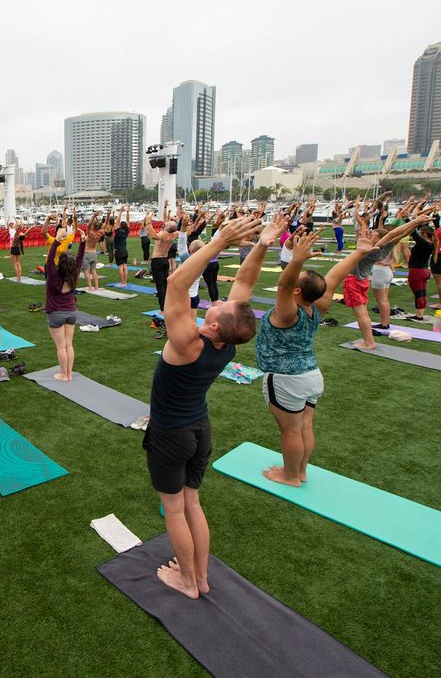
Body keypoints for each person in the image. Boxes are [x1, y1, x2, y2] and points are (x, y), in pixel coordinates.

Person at [148, 213, 267, 599]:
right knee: (192, 502)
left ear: (214, 326)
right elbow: (245, 284)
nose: (217, 303)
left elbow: (177, 282)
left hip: (171, 434)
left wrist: (218, 241)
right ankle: (199, 577)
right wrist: (261, 243)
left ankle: (187, 581)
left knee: (175, 510)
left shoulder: (187, 342)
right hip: (200, 429)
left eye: (218, 309)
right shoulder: (228, 340)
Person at [257, 224, 379, 488]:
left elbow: (283, 285)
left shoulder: (288, 313)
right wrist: (358, 253)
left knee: (290, 430)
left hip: (286, 378)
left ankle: (290, 476)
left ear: (298, 291)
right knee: (304, 427)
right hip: (310, 376)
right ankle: (299, 471)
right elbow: (333, 277)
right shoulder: (317, 307)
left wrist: (297, 259)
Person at [344, 214, 429, 349]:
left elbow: (393, 234)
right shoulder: (385, 247)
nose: (370, 235)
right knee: (363, 312)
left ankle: (368, 343)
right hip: (363, 281)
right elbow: (400, 235)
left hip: (354, 281)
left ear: (379, 239)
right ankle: (369, 340)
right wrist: (414, 224)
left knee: (360, 314)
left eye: (373, 234)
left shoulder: (375, 248)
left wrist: (416, 221)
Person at [44, 222, 85, 382]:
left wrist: (57, 240)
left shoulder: (53, 275)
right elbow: (80, 258)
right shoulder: (74, 275)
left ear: (59, 264)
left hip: (56, 314)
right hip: (71, 313)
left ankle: (64, 375)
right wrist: (83, 242)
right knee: (69, 344)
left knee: (61, 346)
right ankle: (68, 374)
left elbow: (49, 258)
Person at [406, 220, 437, 320]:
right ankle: (420, 314)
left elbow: (413, 233)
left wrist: (408, 220)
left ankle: (419, 315)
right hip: (424, 271)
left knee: (418, 294)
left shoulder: (423, 243)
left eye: (421, 232)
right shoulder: (430, 244)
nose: (419, 233)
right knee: (422, 293)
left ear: (424, 234)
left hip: (417, 272)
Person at [82, 211, 106, 290]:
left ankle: (90, 287)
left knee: (86, 270)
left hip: (87, 252)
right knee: (94, 270)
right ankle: (96, 287)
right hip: (94, 252)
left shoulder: (90, 233)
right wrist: (108, 215)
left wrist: (93, 216)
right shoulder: (100, 233)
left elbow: (88, 225)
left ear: (93, 226)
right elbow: (104, 225)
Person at [112, 205, 132, 287]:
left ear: (120, 226)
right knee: (125, 266)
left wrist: (120, 211)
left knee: (120, 267)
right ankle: (125, 282)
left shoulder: (118, 231)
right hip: (124, 251)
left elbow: (117, 221)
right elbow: (128, 221)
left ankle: (122, 283)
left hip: (119, 251)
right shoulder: (127, 231)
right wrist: (127, 212)